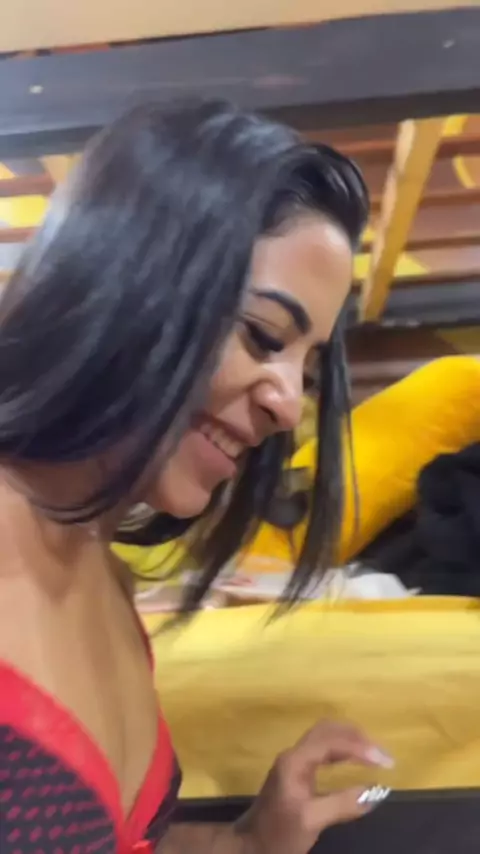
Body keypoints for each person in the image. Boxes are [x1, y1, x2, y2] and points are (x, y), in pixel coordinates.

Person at [0, 100, 393, 854]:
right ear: (120, 279)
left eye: (306, 367)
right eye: (264, 336)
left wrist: (248, 842)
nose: (289, 404)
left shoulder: (110, 584)